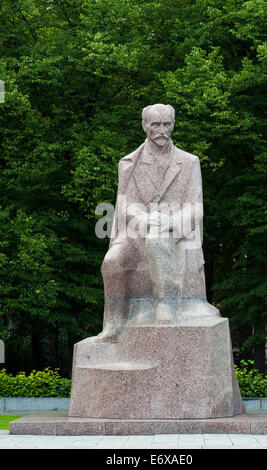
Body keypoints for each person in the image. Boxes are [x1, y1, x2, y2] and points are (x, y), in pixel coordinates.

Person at [98, 104, 218, 342]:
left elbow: (196, 207)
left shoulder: (189, 162)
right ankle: (114, 322)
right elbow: (123, 204)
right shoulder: (129, 163)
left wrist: (169, 223)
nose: (162, 130)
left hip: (175, 233)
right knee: (111, 262)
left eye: (167, 124)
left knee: (157, 239)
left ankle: (166, 304)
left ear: (173, 124)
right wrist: (142, 219)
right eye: (155, 125)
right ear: (145, 125)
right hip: (135, 233)